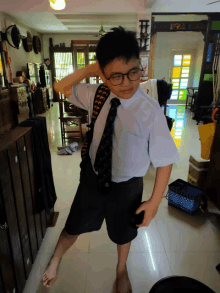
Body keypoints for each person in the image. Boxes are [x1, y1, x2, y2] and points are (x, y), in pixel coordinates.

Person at [43, 26, 180, 292]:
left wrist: (153, 202)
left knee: (123, 232)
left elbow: (165, 159)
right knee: (74, 224)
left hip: (127, 188)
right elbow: (60, 86)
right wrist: (92, 70)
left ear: (141, 67)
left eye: (133, 72)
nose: (127, 82)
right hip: (93, 179)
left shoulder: (150, 109)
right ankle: (56, 259)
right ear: (103, 76)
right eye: (115, 76)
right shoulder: (98, 93)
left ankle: (121, 270)